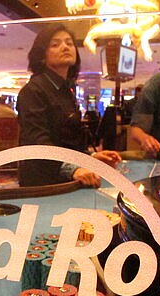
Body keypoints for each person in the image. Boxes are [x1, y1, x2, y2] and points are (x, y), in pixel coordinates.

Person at [17, 23, 121, 187]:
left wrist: (90, 157)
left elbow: (67, 143)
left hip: (67, 181)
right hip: (42, 184)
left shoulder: (66, 90)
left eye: (69, 43)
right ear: (42, 55)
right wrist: (73, 169)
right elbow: (37, 143)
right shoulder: (33, 90)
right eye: (55, 44)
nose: (65, 47)